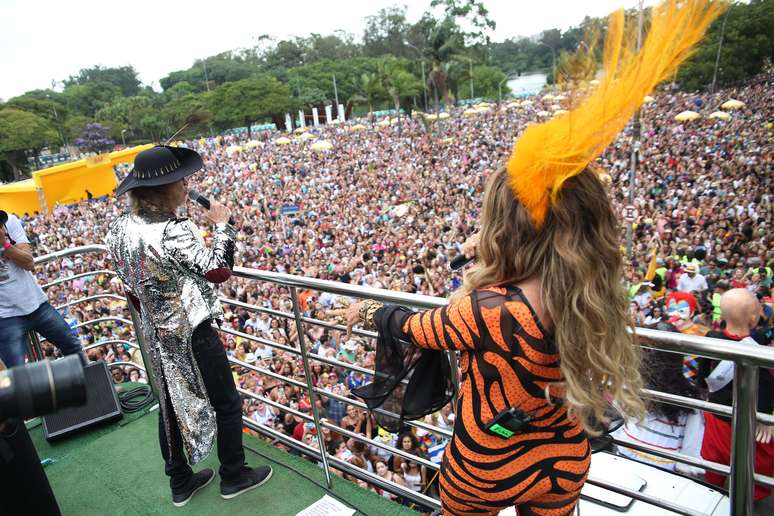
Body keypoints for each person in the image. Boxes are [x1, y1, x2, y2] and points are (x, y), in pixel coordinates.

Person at [335, 2, 724, 512]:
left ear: (506, 226)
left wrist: (363, 311)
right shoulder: (592, 294)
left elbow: (419, 327)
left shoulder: (489, 309)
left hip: (488, 464)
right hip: (565, 460)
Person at [105, 145, 272, 507]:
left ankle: (180, 481)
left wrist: (154, 314)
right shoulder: (174, 230)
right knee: (226, 402)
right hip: (192, 332)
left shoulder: (119, 228)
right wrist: (223, 227)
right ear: (163, 190)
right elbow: (218, 270)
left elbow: (130, 285)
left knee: (168, 406)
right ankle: (234, 474)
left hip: (156, 333)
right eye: (179, 181)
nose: (186, 185)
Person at [697, 288, 774, 502]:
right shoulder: (759, 347)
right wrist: (764, 419)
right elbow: (767, 385)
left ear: (721, 316)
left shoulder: (711, 338)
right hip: (749, 420)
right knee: (755, 463)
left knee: (714, 460)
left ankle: (712, 494)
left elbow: (702, 374)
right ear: (753, 318)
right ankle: (750, 500)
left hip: (717, 415)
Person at [0, 209, 84, 367]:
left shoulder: (9, 221)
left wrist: (4, 244)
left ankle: (90, 388)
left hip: (37, 305)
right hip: (6, 316)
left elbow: (29, 263)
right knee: (15, 369)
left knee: (72, 345)